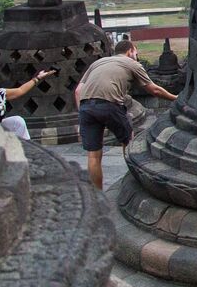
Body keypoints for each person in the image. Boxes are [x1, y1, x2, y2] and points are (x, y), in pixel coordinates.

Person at [74, 39, 177, 189]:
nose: (137, 56)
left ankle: (97, 195)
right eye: (136, 52)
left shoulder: (98, 63)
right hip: (109, 105)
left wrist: (83, 114)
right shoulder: (132, 63)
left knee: (93, 155)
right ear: (130, 51)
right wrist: (176, 98)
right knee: (129, 142)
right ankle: (134, 181)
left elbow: (78, 91)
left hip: (85, 107)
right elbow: (153, 90)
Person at [0, 68, 54, 141]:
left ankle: (26, 147)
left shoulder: (0, 94)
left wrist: (38, 78)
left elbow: (20, 90)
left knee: (17, 121)